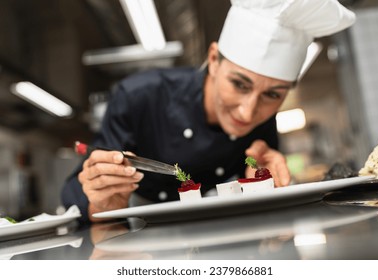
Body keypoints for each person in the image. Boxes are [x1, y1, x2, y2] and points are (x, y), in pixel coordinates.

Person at [62, 0, 356, 223]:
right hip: (141, 223)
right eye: (239, 84)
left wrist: (260, 178)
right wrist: (99, 196)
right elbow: (75, 187)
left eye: (272, 95)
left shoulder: (261, 120)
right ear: (213, 59)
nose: (248, 111)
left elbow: (254, 183)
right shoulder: (139, 96)